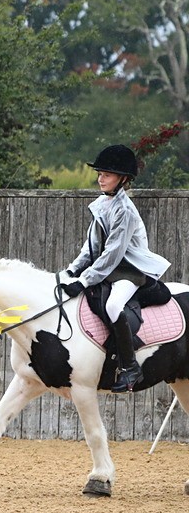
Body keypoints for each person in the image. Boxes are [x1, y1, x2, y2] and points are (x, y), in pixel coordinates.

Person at [61, 144, 170, 392]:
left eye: (107, 175)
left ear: (122, 179)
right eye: (100, 174)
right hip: (108, 269)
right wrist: (72, 271)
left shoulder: (125, 211)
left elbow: (112, 254)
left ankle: (131, 368)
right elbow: (91, 247)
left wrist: (85, 280)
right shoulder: (102, 204)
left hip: (130, 271)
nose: (100, 179)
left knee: (112, 306)